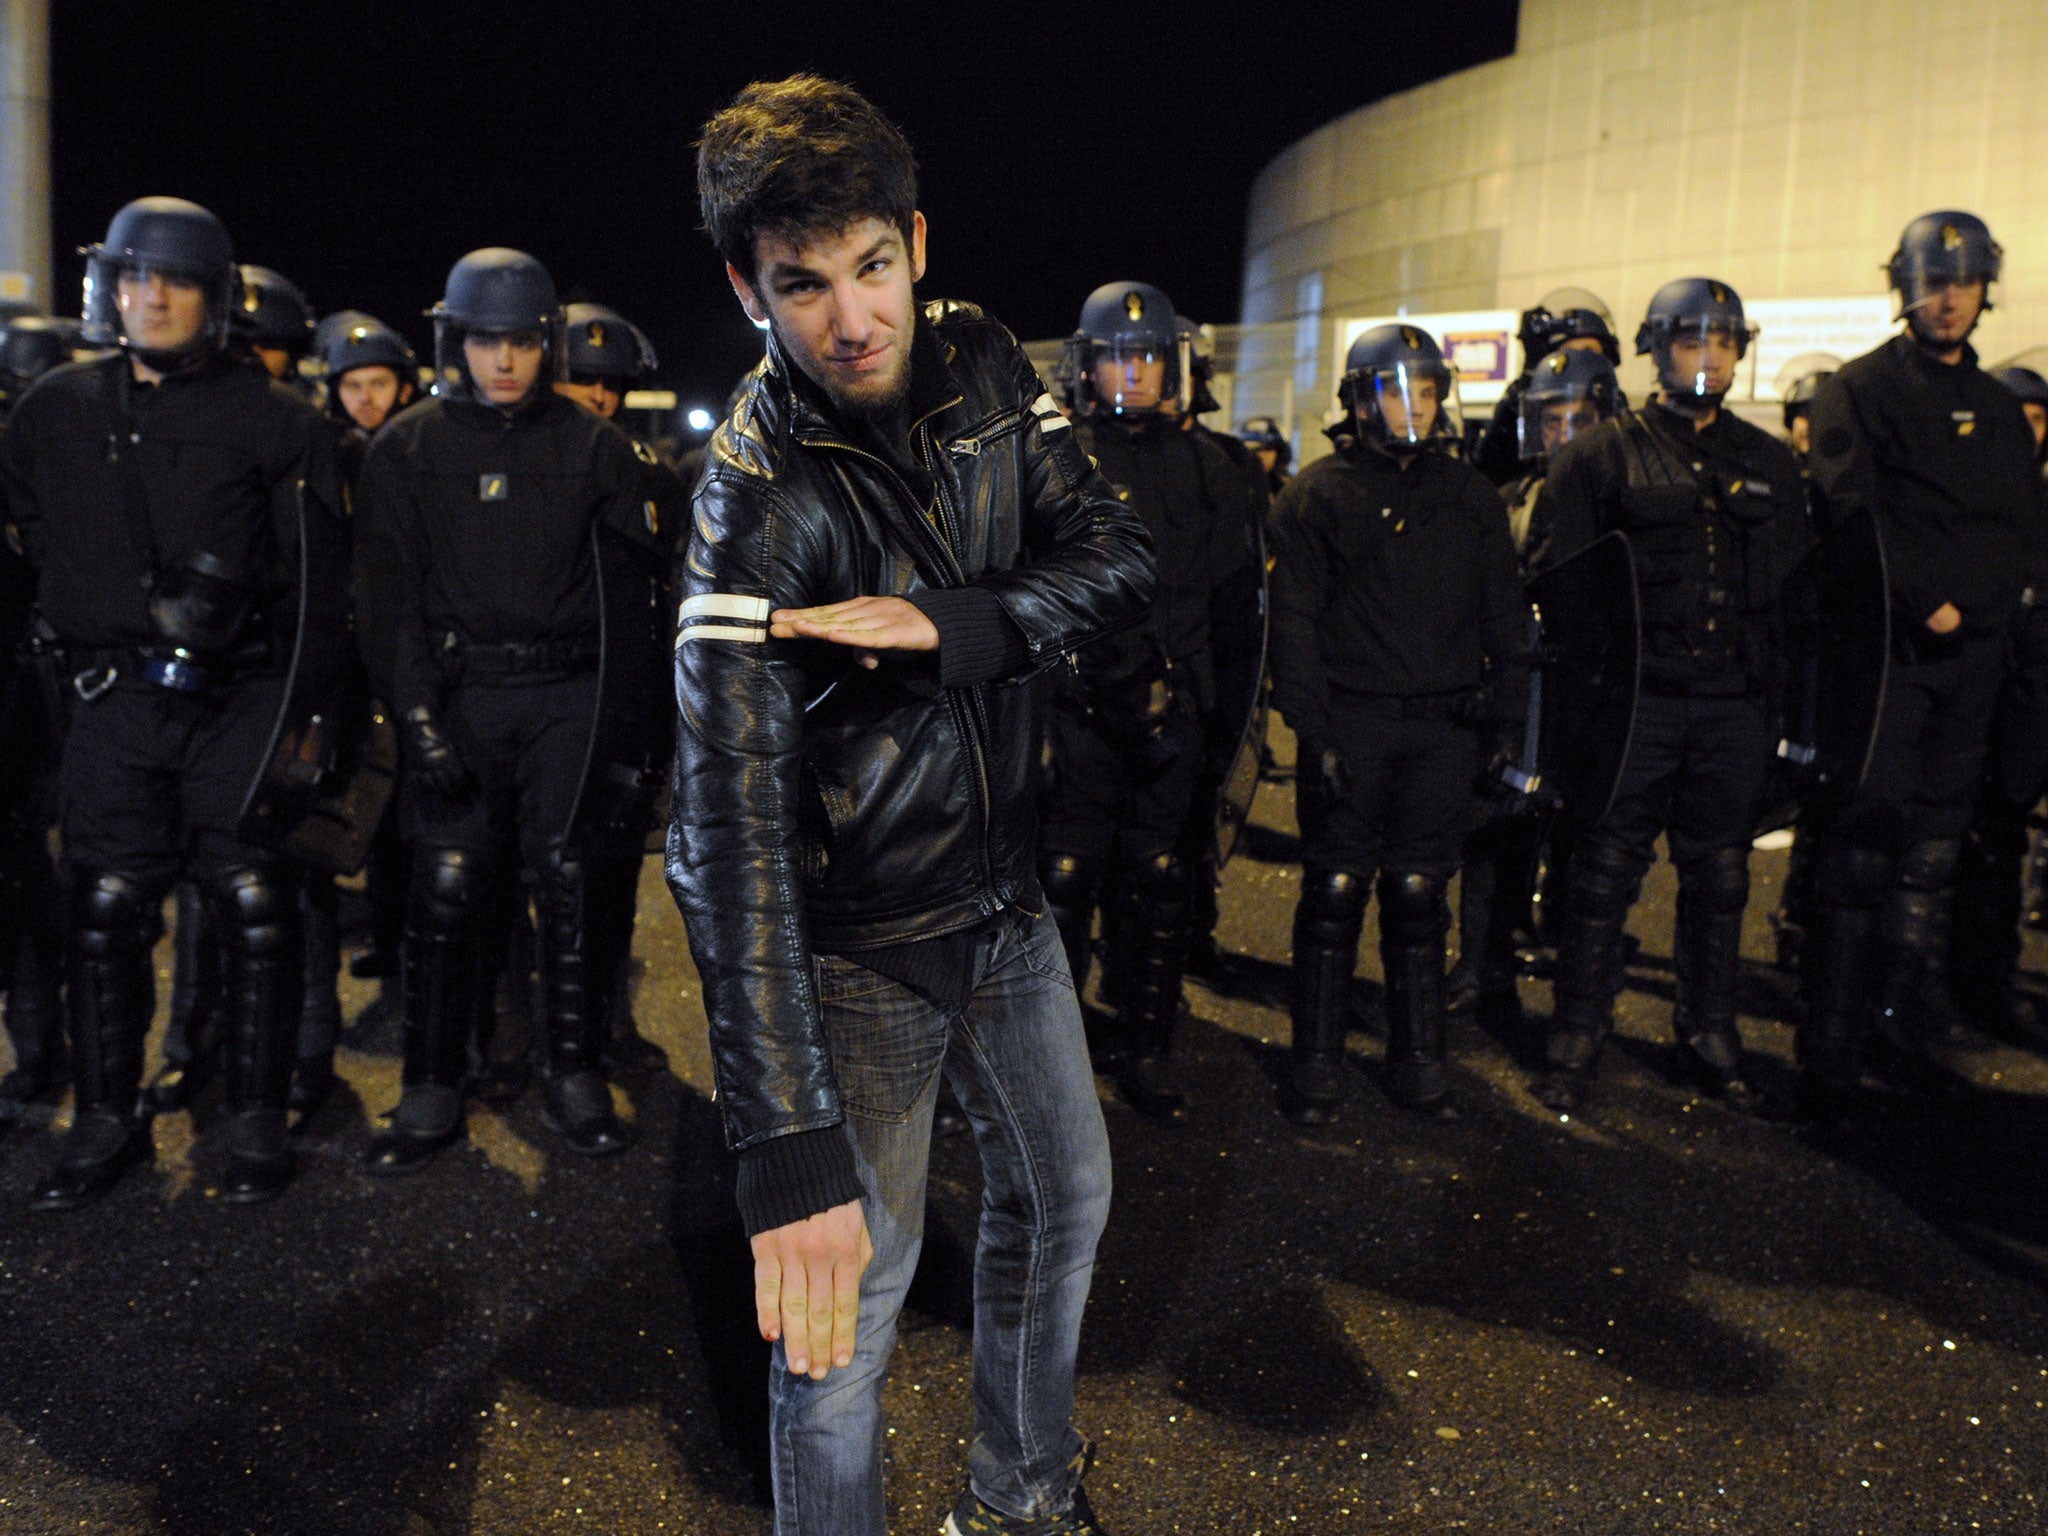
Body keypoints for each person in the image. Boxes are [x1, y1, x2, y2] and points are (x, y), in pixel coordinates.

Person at [671, 75, 1153, 1536]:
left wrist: (960, 627)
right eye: (802, 285)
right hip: (858, 948)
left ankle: (1020, 1502)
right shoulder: (748, 503)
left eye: (871, 265)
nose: (852, 318)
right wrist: (786, 1146)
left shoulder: (989, 364)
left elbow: (1120, 556)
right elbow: (725, 846)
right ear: (749, 293)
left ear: (919, 244)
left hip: (1005, 901)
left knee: (1065, 1204)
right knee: (838, 1318)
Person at [4, 196, 347, 1205]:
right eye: (132, 277)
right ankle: (106, 1123)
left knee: (252, 908)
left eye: (173, 281)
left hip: (236, 704)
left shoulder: (281, 424)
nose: (148, 296)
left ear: (215, 296)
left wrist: (304, 733)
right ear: (107, 287)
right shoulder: (53, 409)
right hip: (111, 708)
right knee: (104, 910)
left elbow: (321, 602)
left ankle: (250, 1122)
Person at [351, 246, 666, 1172]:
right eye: (485, 341)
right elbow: (389, 600)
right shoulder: (406, 446)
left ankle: (573, 1072)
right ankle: (430, 1081)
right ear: (455, 341)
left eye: (521, 341)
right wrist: (416, 718)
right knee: (447, 891)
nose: (503, 361)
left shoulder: (597, 446)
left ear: (547, 345)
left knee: (570, 884)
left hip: (567, 697)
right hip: (462, 693)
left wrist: (627, 738)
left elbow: (629, 607)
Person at [1527, 279, 1809, 1116]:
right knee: (1602, 871)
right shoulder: (1599, 456)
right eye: (1693, 341)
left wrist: (1785, 715)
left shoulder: (1768, 463)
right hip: (1637, 705)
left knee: (1721, 875)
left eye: (1725, 341)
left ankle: (1711, 1032)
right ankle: (1577, 1033)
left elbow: (1795, 599)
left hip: (1731, 707)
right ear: (1658, 348)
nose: (1711, 356)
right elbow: (1559, 586)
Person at [1799, 212, 2039, 1119]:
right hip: (1891, 661)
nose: (1949, 298)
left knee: (1932, 857)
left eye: (1965, 282)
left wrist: (1998, 611)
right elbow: (1849, 508)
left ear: (1986, 291)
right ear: (1904, 287)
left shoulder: (2004, 414)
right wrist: (1924, 600)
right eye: (1934, 281)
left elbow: (2024, 526)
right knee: (1862, 852)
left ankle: (1901, 1037)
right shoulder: (1859, 390)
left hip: (1973, 662)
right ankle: (1829, 1054)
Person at [1268, 323, 1527, 1123]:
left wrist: (1507, 725)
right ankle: (1315, 1063)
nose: (1410, 406)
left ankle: (1419, 1063)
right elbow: (1296, 623)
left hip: (1443, 729)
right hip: (1353, 724)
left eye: (1423, 390)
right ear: (1357, 398)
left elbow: (1504, 615)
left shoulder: (1469, 493)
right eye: (1391, 388)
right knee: (1336, 890)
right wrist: (1313, 732)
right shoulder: (1316, 492)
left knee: (1420, 894)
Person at [1038, 281, 1259, 1119]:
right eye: (1116, 357)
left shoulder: (1216, 468)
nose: (1133, 372)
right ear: (1086, 369)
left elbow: (1237, 608)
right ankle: (1051, 1061)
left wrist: (1225, 722)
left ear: (1176, 367)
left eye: (1148, 357)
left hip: (1178, 723)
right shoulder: (1050, 460)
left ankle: (1148, 1044)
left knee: (1161, 878)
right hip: (1078, 715)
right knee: (1063, 880)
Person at [1448, 345, 1622, 1021]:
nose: (1564, 433)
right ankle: (1481, 967)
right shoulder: (1507, 497)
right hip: (1519, 689)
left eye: (1580, 418)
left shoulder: (1621, 501)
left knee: (1587, 848)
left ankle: (1580, 1003)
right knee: (1494, 833)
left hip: (1592, 693)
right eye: (1552, 420)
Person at [1472, 287, 1625, 485]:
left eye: (1589, 353)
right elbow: (1490, 467)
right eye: (1569, 353)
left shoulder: (1617, 408)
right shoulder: (1531, 405)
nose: (1579, 364)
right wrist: (1528, 381)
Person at [233, 264, 316, 386]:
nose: (252, 356)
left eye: (269, 343)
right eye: (237, 343)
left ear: (294, 356)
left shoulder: (305, 404)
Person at [1238, 415, 1292, 498]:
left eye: (1268, 449)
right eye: (1255, 450)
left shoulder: (1288, 487)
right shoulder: (1233, 484)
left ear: (1279, 453)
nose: (1261, 456)